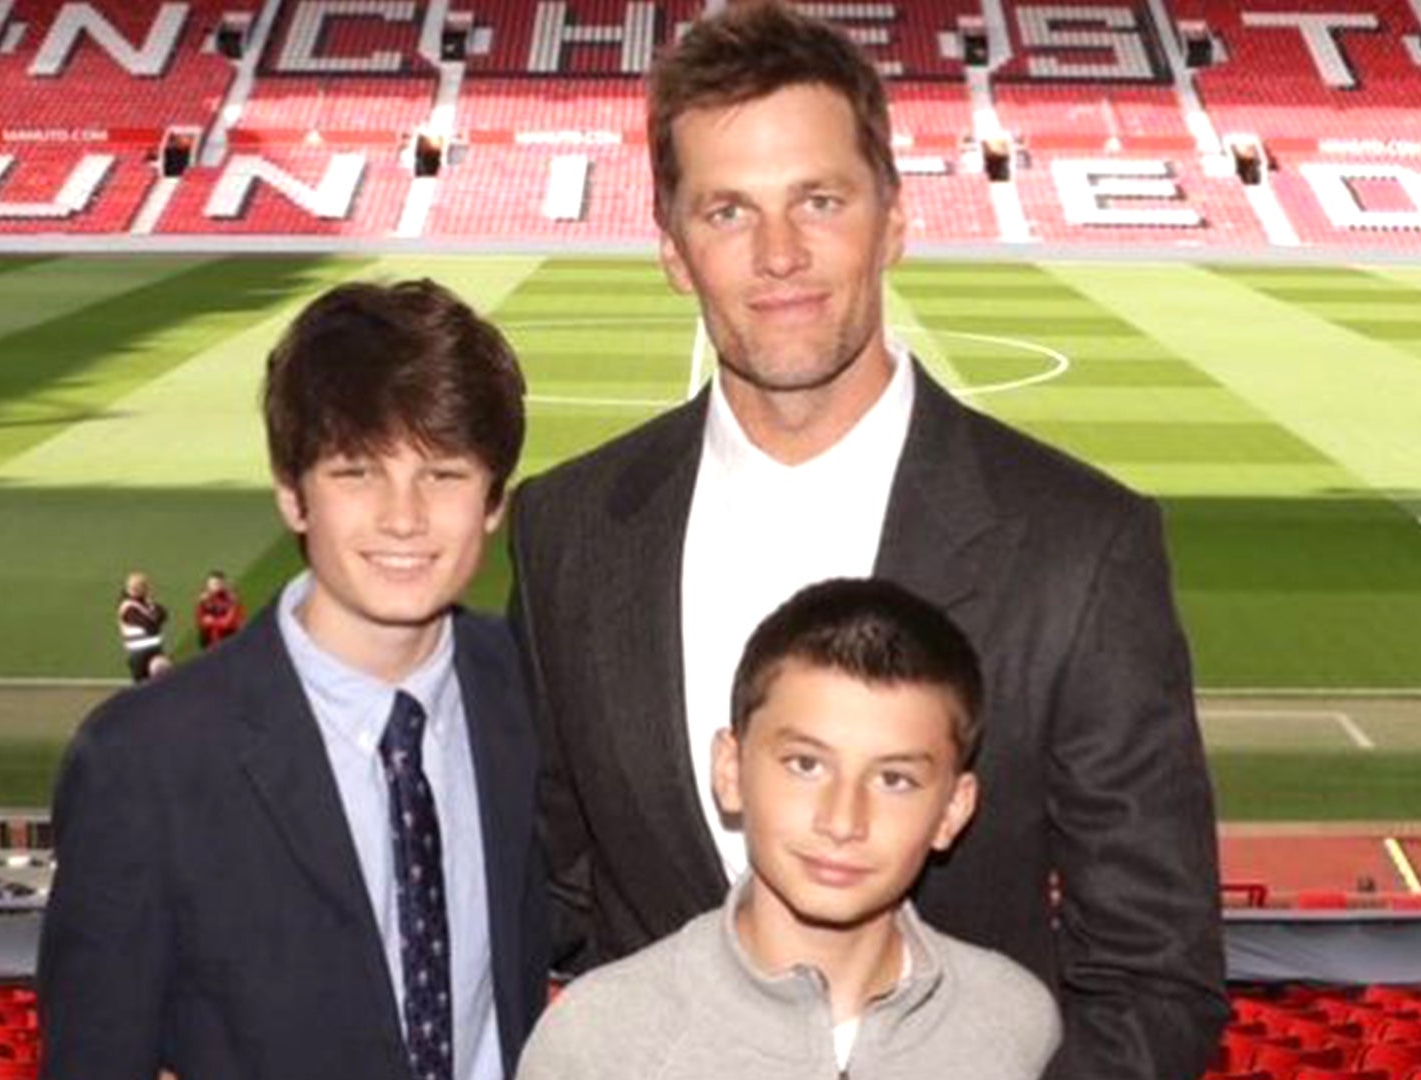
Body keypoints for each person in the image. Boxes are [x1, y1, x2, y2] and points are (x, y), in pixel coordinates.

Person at [506, 3, 1228, 1077]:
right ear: (672, 250)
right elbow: (559, 893)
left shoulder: (1079, 545)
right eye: (728, 212)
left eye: (820, 200)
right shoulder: (566, 532)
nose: (779, 255)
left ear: (894, 218)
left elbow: (1153, 972)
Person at [40, 279, 549, 1080]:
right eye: (357, 472)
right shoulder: (143, 762)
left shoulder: (532, 691)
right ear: (292, 494)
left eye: (443, 473)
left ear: (493, 501)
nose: (403, 517)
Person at [518, 578, 1061, 1080]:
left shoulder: (1013, 1024)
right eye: (806, 765)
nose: (843, 821)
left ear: (952, 810)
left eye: (894, 779)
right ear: (731, 771)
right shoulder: (602, 1040)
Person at [115, 571, 167, 683]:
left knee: (162, 684)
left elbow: (163, 614)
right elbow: (150, 626)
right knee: (143, 686)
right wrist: (155, 618)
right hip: (140, 654)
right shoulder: (128, 607)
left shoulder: (147, 603)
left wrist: (153, 610)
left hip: (155, 651)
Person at [194, 569, 245, 649]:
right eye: (210, 584)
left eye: (216, 584)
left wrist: (213, 621)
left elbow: (229, 623)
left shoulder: (230, 599)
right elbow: (202, 624)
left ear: (222, 584)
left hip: (233, 643)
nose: (211, 587)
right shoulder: (203, 603)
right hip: (214, 647)